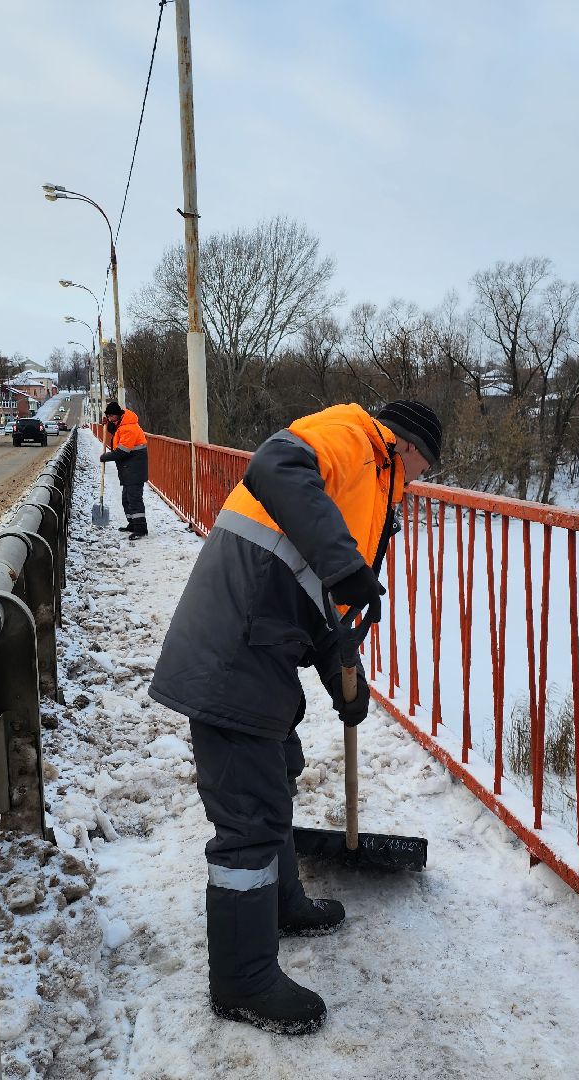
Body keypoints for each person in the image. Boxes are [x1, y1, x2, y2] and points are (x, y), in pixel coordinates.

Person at [148, 399, 442, 1035]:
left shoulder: (362, 477)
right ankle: (242, 981)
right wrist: (347, 566)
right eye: (419, 475)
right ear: (409, 450)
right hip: (230, 654)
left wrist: (346, 672)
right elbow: (276, 464)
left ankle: (281, 905)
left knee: (277, 776)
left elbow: (306, 591)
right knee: (249, 817)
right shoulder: (355, 438)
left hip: (257, 646)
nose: (413, 489)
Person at [98, 401, 149, 538]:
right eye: (108, 417)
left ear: (117, 415)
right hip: (129, 469)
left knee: (134, 499)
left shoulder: (129, 428)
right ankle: (132, 523)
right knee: (126, 499)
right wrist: (108, 425)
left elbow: (122, 452)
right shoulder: (122, 424)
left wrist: (105, 457)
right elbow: (116, 431)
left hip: (134, 469)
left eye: (110, 417)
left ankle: (140, 529)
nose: (109, 419)